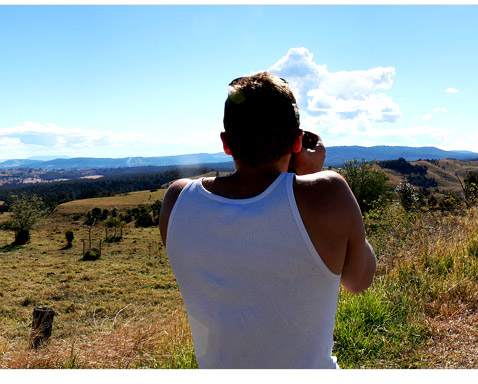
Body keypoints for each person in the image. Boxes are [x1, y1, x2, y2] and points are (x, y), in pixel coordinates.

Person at [158, 72, 377, 369]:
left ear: (226, 143)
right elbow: (359, 280)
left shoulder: (177, 201)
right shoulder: (329, 195)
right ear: (298, 141)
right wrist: (307, 178)